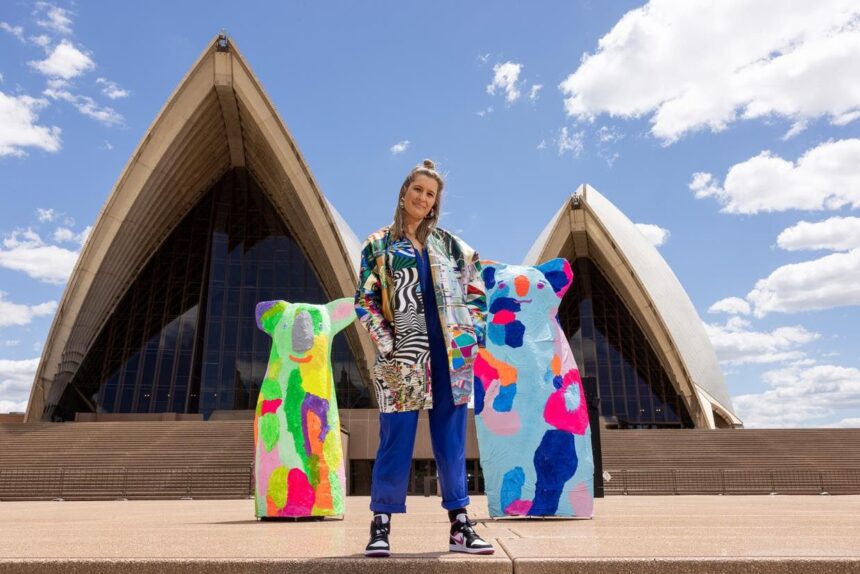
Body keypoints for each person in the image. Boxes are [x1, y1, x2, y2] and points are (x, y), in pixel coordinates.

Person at [354, 159, 494, 557]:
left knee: (450, 442)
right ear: (404, 192)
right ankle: (381, 523)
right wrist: (388, 345)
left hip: (452, 357)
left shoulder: (452, 246)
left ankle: (460, 526)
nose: (422, 197)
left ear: (435, 203)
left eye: (430, 194)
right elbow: (363, 300)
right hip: (402, 358)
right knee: (394, 440)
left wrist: (473, 336)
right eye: (417, 189)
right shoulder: (378, 244)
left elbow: (477, 291)